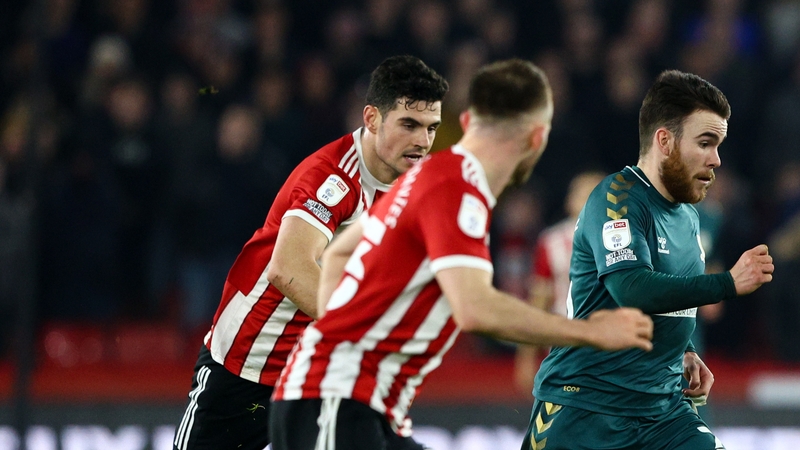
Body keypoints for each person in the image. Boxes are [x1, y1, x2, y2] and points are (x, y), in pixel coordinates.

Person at [269, 59, 655, 450]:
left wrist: (344, 336)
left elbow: (338, 256)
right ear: (537, 138)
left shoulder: (428, 176)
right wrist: (590, 332)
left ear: (468, 121)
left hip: (354, 402)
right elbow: (475, 309)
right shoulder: (457, 187)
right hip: (336, 402)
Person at [173, 55, 449, 450]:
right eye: (409, 125)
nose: (422, 141)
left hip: (319, 375)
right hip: (250, 366)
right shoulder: (333, 177)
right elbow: (287, 270)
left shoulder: (415, 188)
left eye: (431, 128)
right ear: (371, 119)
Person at [522, 70, 775, 450]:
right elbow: (632, 289)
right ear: (665, 141)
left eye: (719, 145)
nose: (717, 159)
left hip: (662, 413)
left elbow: (671, 300)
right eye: (706, 143)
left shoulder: (688, 216)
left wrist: (685, 350)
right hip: (585, 409)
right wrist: (727, 283)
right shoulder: (617, 198)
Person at [514, 170, 606, 393]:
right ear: (570, 201)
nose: (588, 201)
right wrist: (526, 356)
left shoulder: (626, 239)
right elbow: (539, 299)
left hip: (610, 343)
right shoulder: (551, 241)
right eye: (582, 195)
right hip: (563, 343)